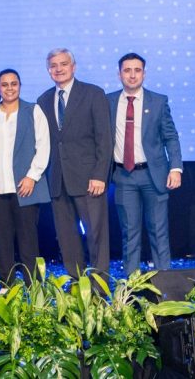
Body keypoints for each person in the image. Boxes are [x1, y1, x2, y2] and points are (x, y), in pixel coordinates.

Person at [37, 48, 113, 277]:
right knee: (67, 239)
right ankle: (77, 286)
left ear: (73, 66)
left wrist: (100, 175)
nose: (58, 69)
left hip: (89, 180)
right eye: (53, 65)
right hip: (57, 181)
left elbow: (104, 138)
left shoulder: (93, 94)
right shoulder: (43, 100)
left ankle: (99, 288)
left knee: (96, 237)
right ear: (48, 70)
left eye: (63, 64)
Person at [107, 53, 182, 275]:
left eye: (137, 70)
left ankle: (165, 283)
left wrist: (175, 168)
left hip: (153, 175)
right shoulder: (108, 102)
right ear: (119, 74)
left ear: (144, 74)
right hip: (123, 176)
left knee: (159, 232)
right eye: (127, 70)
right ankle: (132, 286)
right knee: (129, 234)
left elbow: (171, 137)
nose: (132, 75)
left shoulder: (158, 101)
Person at [0, 69, 50, 283]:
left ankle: (33, 286)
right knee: (2, 242)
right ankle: (7, 284)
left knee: (28, 242)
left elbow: (43, 146)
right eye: (4, 84)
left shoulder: (33, 110)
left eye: (14, 83)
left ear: (19, 86)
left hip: (25, 188)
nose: (9, 88)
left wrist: (32, 176)